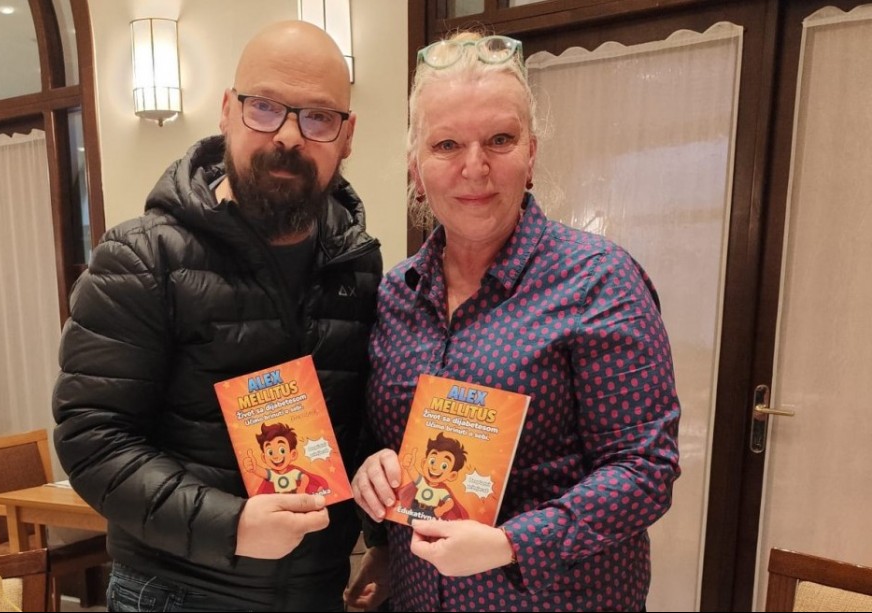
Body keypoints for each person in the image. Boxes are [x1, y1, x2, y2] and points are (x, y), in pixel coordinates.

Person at [52, 20, 382, 612]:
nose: (288, 136)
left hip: (316, 592)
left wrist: (382, 533)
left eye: (318, 117)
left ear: (348, 135)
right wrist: (230, 526)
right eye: (265, 107)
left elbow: (358, 425)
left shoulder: (358, 265)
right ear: (228, 111)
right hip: (176, 594)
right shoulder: (142, 258)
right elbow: (92, 440)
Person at [345, 31, 680, 612]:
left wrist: (512, 545)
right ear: (416, 169)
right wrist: (375, 473)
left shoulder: (598, 282)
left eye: (499, 140)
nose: (474, 167)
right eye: (447, 144)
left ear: (531, 155)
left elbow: (645, 468)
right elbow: (388, 439)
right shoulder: (396, 295)